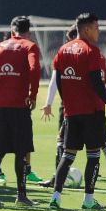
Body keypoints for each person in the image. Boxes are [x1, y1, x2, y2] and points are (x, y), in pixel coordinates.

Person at [49, 13, 106, 210]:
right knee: (93, 155)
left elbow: (60, 82)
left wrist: (67, 103)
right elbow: (97, 83)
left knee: (68, 155)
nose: (99, 31)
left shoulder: (62, 51)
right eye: (96, 27)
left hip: (71, 112)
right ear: (87, 29)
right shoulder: (92, 51)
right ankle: (88, 200)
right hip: (92, 111)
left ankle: (55, 197)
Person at [0, 16, 42, 208]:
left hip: (0, 107)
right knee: (21, 150)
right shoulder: (29, 46)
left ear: (11, 29)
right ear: (28, 31)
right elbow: (34, 69)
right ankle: (21, 195)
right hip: (19, 107)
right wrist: (32, 95)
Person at [40, 25, 78, 188]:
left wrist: (48, 103)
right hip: (89, 108)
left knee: (63, 144)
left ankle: (58, 180)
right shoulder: (92, 52)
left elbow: (54, 82)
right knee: (96, 148)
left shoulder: (64, 54)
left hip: (70, 108)